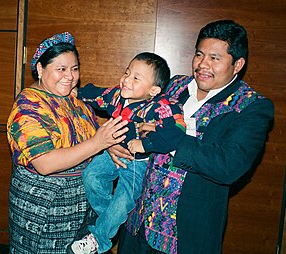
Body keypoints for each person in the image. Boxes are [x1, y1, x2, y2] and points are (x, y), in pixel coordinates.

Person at [116, 20, 274, 254]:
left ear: (238, 64)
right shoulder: (174, 86)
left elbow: (228, 165)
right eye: (199, 54)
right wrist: (115, 143)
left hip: (186, 237)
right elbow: (134, 114)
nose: (202, 64)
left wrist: (171, 140)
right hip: (136, 226)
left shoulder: (250, 107)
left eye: (215, 58)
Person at [6, 31, 128, 254]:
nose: (70, 76)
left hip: (80, 205)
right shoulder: (28, 105)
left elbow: (90, 135)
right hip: (44, 208)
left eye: (74, 69)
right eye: (61, 69)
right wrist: (98, 143)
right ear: (41, 69)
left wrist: (109, 143)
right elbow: (45, 163)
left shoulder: (73, 98)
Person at [67, 52, 186, 254]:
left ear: (154, 90)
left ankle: (99, 238)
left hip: (137, 162)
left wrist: (146, 143)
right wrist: (77, 93)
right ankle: (108, 221)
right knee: (91, 175)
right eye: (127, 73)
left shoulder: (161, 106)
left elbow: (176, 132)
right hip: (112, 153)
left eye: (136, 78)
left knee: (124, 197)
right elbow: (97, 94)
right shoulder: (117, 96)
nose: (126, 80)